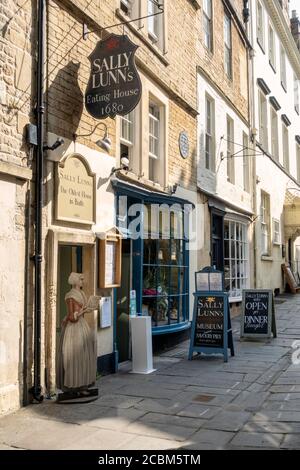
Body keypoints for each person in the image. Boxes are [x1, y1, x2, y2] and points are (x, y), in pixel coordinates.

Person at [56, 272, 97, 393]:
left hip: (82, 326)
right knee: (74, 358)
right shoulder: (70, 295)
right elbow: (72, 317)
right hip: (74, 329)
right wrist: (83, 311)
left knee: (83, 357)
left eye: (82, 279)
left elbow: (80, 313)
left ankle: (83, 385)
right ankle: (73, 386)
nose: (82, 281)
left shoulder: (82, 293)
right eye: (81, 279)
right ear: (75, 281)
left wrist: (88, 309)